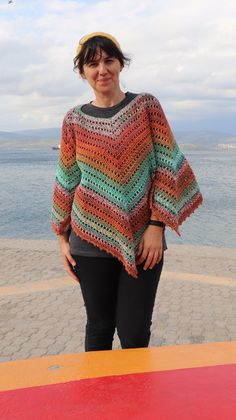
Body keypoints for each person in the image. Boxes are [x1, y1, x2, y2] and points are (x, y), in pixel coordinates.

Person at [51, 32, 203, 352]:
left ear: (121, 64)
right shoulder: (74, 119)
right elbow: (67, 179)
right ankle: (100, 399)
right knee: (99, 327)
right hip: (89, 239)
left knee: (134, 332)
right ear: (83, 72)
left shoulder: (146, 105)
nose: (102, 69)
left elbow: (166, 166)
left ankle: (135, 401)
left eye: (109, 60)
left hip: (145, 240)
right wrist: (61, 237)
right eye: (93, 64)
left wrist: (156, 225)